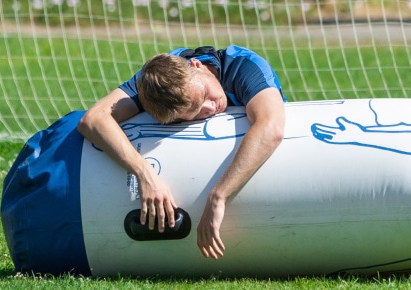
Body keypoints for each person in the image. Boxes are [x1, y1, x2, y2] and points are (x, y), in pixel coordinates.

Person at [77, 45, 286, 260]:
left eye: (205, 94)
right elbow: (93, 119)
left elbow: (271, 127)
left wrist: (218, 197)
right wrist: (144, 174)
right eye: (195, 113)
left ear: (197, 65)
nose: (211, 106)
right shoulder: (153, 84)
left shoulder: (243, 67)